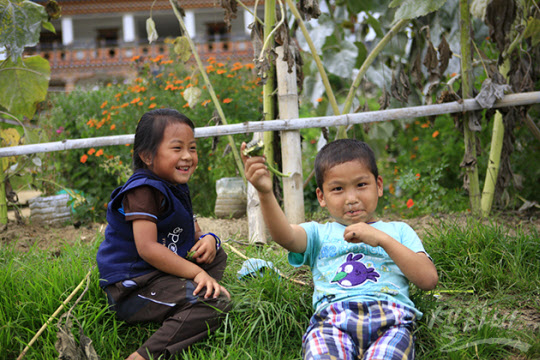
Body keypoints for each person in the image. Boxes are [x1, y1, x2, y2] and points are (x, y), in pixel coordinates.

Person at [242, 138, 438, 360]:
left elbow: (428, 279)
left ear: (379, 186)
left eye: (361, 185)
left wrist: (382, 239)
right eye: (338, 189)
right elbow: (284, 236)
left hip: (391, 320)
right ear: (321, 197)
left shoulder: (399, 231)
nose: (352, 199)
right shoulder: (318, 233)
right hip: (332, 322)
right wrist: (265, 193)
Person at [96, 109, 230, 360]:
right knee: (214, 303)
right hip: (134, 287)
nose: (188, 156)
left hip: (161, 274)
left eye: (192, 148)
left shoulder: (175, 186)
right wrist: (197, 273)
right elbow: (147, 248)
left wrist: (209, 239)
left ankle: (189, 295)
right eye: (177, 148)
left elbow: (193, 232)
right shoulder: (143, 191)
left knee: (215, 254)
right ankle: (143, 356)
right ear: (146, 155)